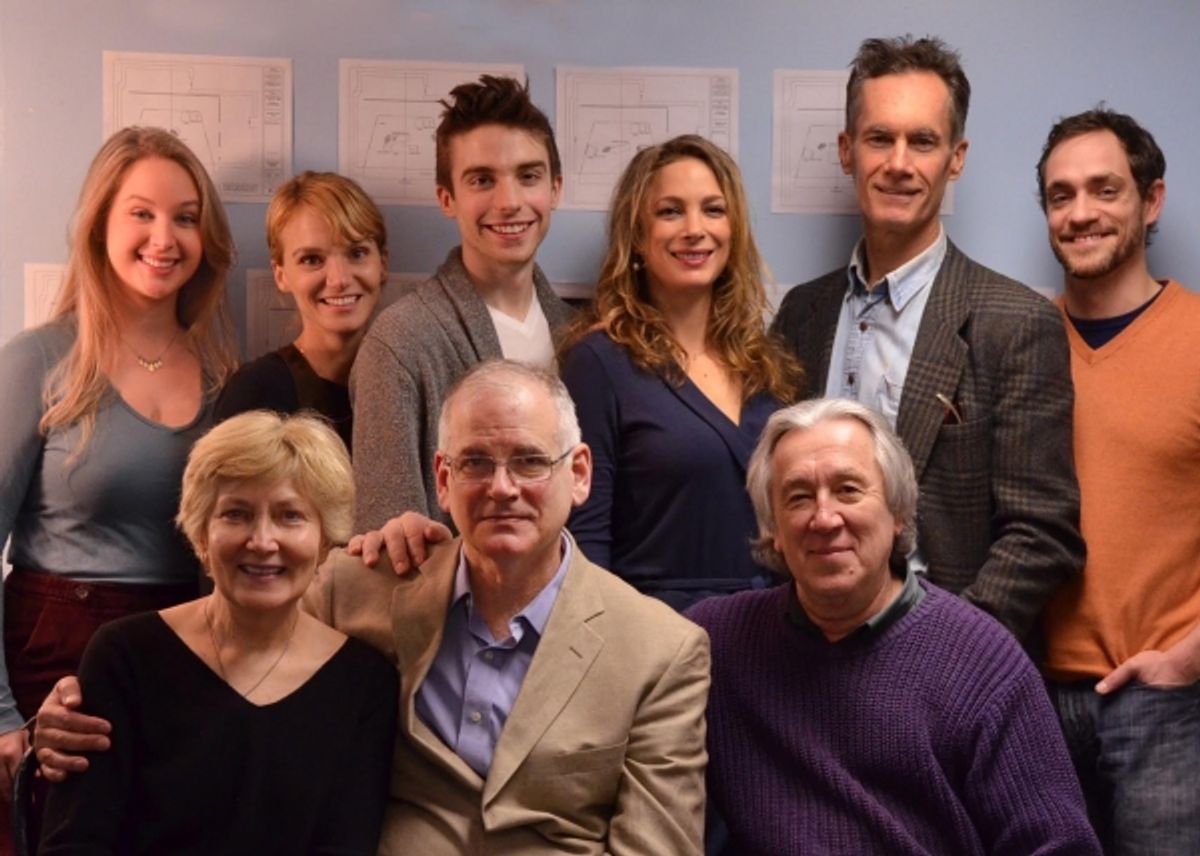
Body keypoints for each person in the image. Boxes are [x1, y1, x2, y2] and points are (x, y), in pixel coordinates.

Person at [37, 360, 710, 855]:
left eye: (531, 462)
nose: (503, 488)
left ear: (581, 473)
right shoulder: (359, 587)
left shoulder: (660, 650)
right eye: (475, 463)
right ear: (442, 481)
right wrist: (60, 719)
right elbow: (235, 676)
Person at [771, 35, 1084, 643]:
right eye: (879, 138)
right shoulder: (801, 315)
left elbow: (1043, 531)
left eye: (923, 141)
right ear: (846, 150)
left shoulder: (1015, 323)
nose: (898, 163)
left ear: (956, 157)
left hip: (947, 670)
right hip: (804, 654)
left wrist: (946, 650)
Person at [686, 398, 1101, 855]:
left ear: (898, 512)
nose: (824, 519)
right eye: (799, 497)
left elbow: (1059, 846)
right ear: (775, 532)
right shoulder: (719, 642)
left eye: (848, 490)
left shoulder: (981, 662)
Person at [0, 126, 237, 828]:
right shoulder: (39, 360)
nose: (164, 237)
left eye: (185, 218)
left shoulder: (229, 377)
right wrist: (2, 714)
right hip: (53, 652)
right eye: (141, 212)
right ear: (100, 222)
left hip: (185, 647)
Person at [38, 412, 397, 854]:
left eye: (290, 516)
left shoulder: (365, 685)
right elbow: (75, 844)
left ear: (325, 541)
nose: (263, 541)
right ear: (201, 535)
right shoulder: (125, 656)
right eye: (236, 514)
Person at [1036, 108, 1200, 854]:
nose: (1081, 214)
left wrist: (1186, 660)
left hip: (1166, 703)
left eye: (1105, 190)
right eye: (1061, 195)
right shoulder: (1019, 337)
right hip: (1030, 700)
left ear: (1152, 200)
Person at [559, 135, 801, 610]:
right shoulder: (599, 363)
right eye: (670, 212)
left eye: (713, 210)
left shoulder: (764, 363)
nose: (695, 229)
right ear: (637, 236)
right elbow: (584, 544)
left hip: (776, 628)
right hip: (658, 636)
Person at [351, 75, 574, 531]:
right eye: (482, 180)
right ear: (447, 198)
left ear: (555, 189)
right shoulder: (400, 342)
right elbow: (389, 541)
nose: (509, 202)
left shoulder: (579, 333)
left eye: (528, 176)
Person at [214, 171, 388, 452]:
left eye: (357, 253)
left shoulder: (409, 383)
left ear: (383, 264)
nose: (339, 279)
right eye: (312, 259)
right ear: (280, 274)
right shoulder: (254, 394)